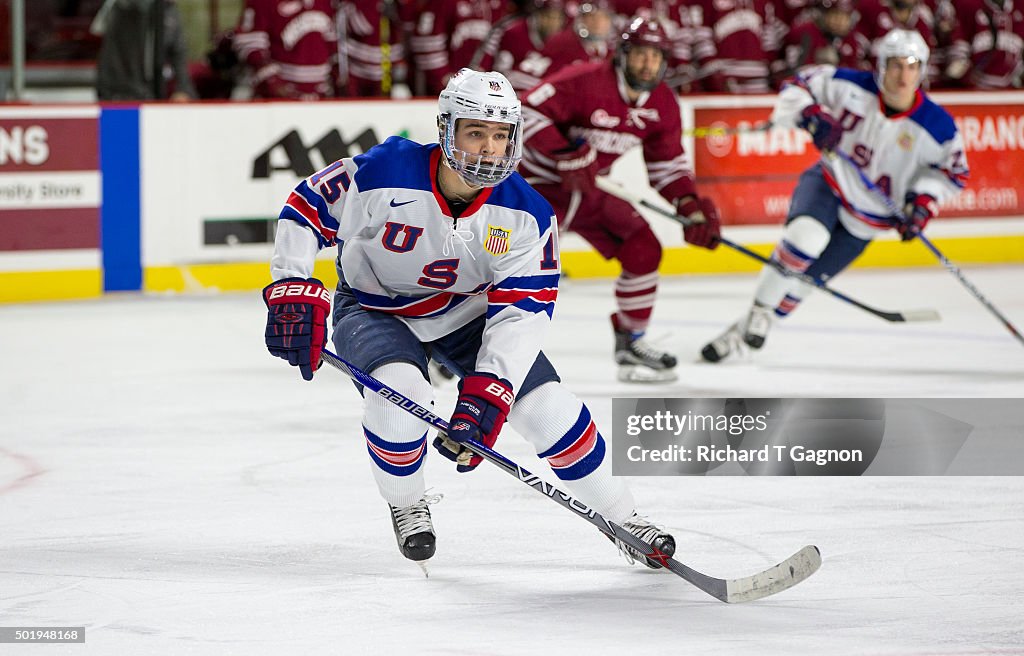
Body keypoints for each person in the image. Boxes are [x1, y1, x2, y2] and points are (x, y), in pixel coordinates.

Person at [261, 68, 675, 569]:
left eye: (500, 136)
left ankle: (625, 518)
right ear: (446, 130)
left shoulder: (527, 214)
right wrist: (291, 285)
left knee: (548, 410)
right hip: (375, 307)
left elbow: (524, 309)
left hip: (466, 314)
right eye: (475, 132)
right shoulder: (383, 170)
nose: (487, 149)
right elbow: (305, 208)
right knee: (401, 400)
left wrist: (490, 391)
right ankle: (407, 502)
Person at [701, 29, 969, 362]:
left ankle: (742, 332)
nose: (904, 75)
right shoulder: (850, 85)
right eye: (896, 65)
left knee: (799, 288)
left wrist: (923, 203)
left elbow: (952, 173)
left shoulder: (938, 126)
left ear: (923, 69)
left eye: (912, 66)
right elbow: (796, 85)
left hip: (868, 221)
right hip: (830, 183)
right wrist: (810, 114)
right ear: (882, 65)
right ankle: (759, 311)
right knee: (805, 240)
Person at [519, 16, 722, 383]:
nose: (648, 64)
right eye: (641, 55)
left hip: (590, 190)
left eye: (656, 57)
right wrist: (563, 151)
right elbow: (525, 112)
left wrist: (688, 204)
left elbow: (667, 165)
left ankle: (631, 341)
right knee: (514, 269)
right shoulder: (583, 80)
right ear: (622, 54)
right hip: (537, 185)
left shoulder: (662, 103)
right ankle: (458, 340)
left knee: (643, 247)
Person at [93, 0, 197, 101]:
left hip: (152, 94)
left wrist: (183, 89)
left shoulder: (169, 12)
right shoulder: (124, 8)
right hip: (118, 93)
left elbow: (178, 53)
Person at [233, 0, 338, 100]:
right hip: (277, 100)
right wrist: (272, 81)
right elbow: (250, 44)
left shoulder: (328, 2)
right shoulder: (263, 2)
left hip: (322, 96)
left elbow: (335, 45)